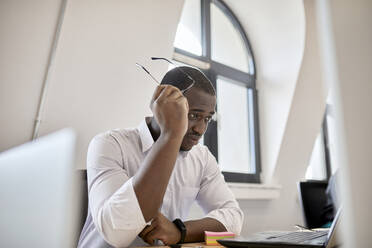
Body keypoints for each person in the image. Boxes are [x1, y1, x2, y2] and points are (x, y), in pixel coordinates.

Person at [78, 66, 243, 248]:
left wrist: (179, 232)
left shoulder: (202, 158)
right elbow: (116, 233)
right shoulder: (110, 144)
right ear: (162, 104)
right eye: (194, 115)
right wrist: (171, 135)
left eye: (207, 119)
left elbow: (234, 220)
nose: (200, 129)